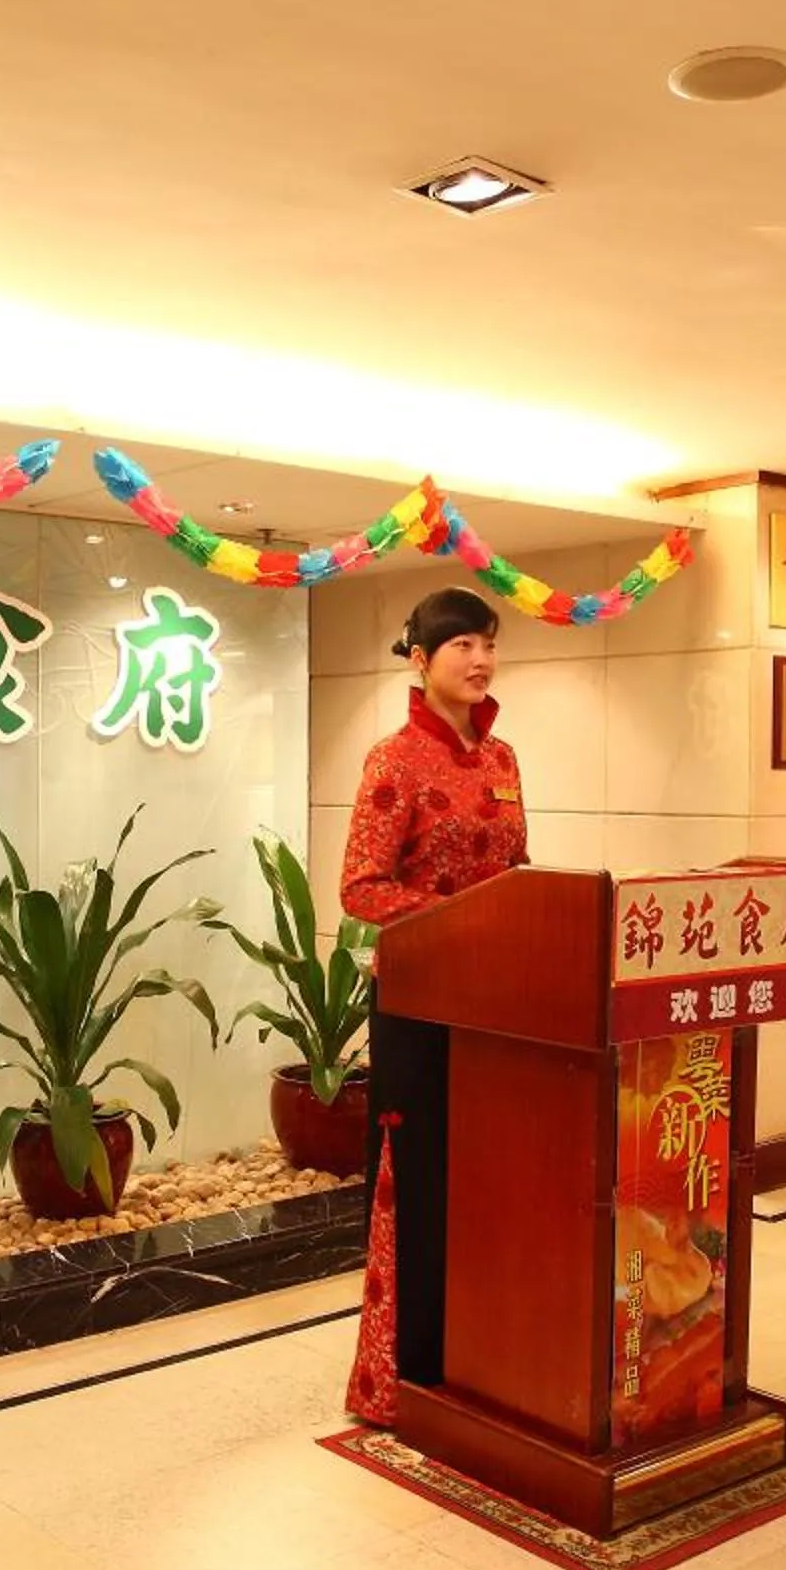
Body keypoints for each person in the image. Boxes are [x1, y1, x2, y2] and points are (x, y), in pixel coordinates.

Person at [339, 585, 528, 1425]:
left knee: (492, 1183)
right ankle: (405, 1377)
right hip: (420, 1007)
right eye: (463, 647)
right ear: (421, 660)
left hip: (501, 1006)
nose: (481, 660)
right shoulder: (393, 758)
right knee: (420, 1188)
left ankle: (482, 1358)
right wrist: (457, 919)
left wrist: (524, 911)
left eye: (488, 644)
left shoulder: (503, 759)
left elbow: (520, 867)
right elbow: (359, 886)